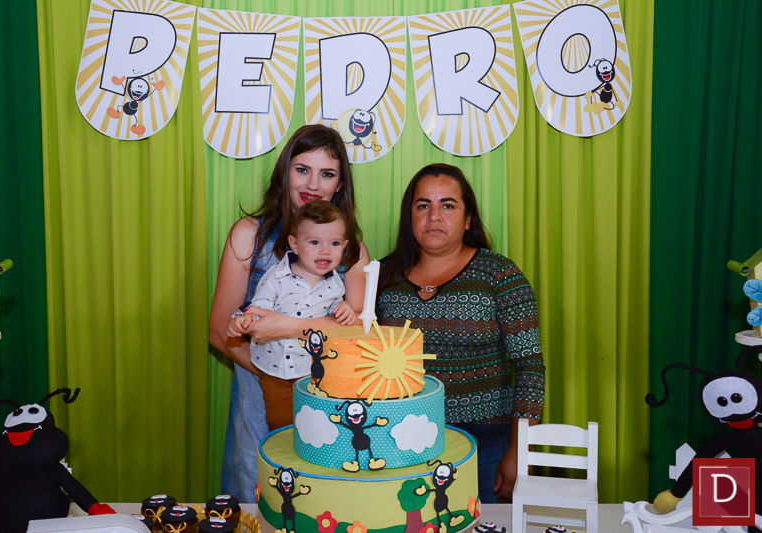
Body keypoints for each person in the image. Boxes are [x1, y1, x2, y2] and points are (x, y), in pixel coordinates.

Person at [209, 124, 370, 503]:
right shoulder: (249, 235)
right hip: (259, 394)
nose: (313, 183)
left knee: (320, 504)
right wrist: (275, 378)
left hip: (325, 397)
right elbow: (220, 331)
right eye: (302, 169)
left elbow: (360, 332)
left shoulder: (351, 250)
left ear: (339, 184)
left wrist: (286, 327)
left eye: (327, 174)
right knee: (257, 499)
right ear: (285, 172)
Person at [375, 163, 545, 503]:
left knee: (485, 523)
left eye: (448, 205)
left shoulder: (499, 274)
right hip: (400, 439)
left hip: (487, 443)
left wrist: (520, 452)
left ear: (468, 219)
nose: (434, 216)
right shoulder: (382, 276)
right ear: (410, 217)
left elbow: (529, 369)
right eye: (423, 205)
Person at [226, 200, 358, 430]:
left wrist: (345, 309)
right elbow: (258, 308)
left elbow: (335, 318)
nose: (325, 250)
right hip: (275, 371)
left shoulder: (336, 284)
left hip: (314, 370)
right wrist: (244, 320)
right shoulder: (276, 277)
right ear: (294, 245)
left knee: (316, 422)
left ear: (344, 246)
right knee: (280, 423)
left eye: (335, 243)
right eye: (314, 242)